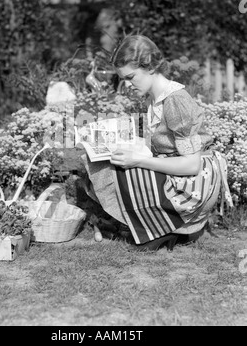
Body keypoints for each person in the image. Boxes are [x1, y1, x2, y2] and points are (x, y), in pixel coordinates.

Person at [81, 34, 233, 251]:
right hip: (178, 171)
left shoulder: (176, 100)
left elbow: (192, 165)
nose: (126, 85)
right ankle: (157, 227)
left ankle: (167, 227)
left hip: (195, 183)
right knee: (105, 160)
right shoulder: (155, 97)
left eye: (131, 77)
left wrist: (138, 160)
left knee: (120, 170)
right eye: (122, 79)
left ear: (150, 67)